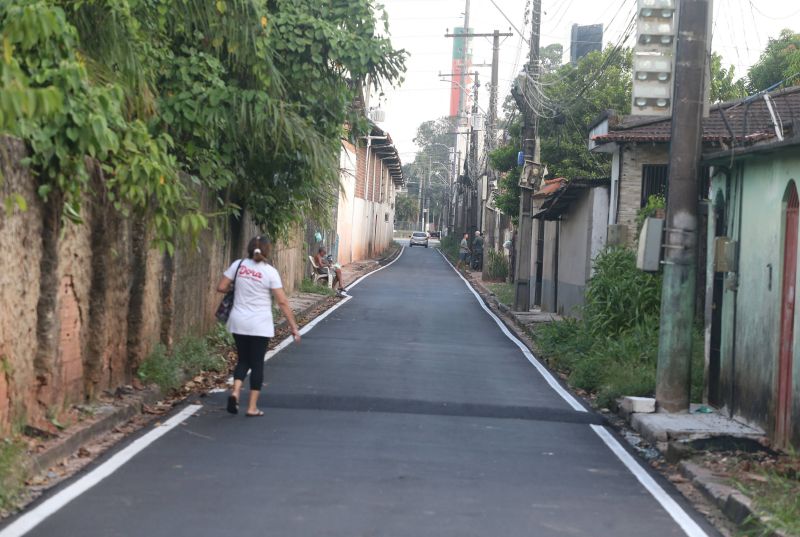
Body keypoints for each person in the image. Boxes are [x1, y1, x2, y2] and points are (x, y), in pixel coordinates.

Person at [217, 236, 300, 417]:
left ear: (249, 248)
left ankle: (235, 392)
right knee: (256, 364)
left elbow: (221, 287)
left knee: (243, 360)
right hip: (260, 325)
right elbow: (283, 302)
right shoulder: (269, 272)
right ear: (267, 250)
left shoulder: (238, 265)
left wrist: (238, 288)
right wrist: (293, 326)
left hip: (238, 322)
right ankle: (252, 407)